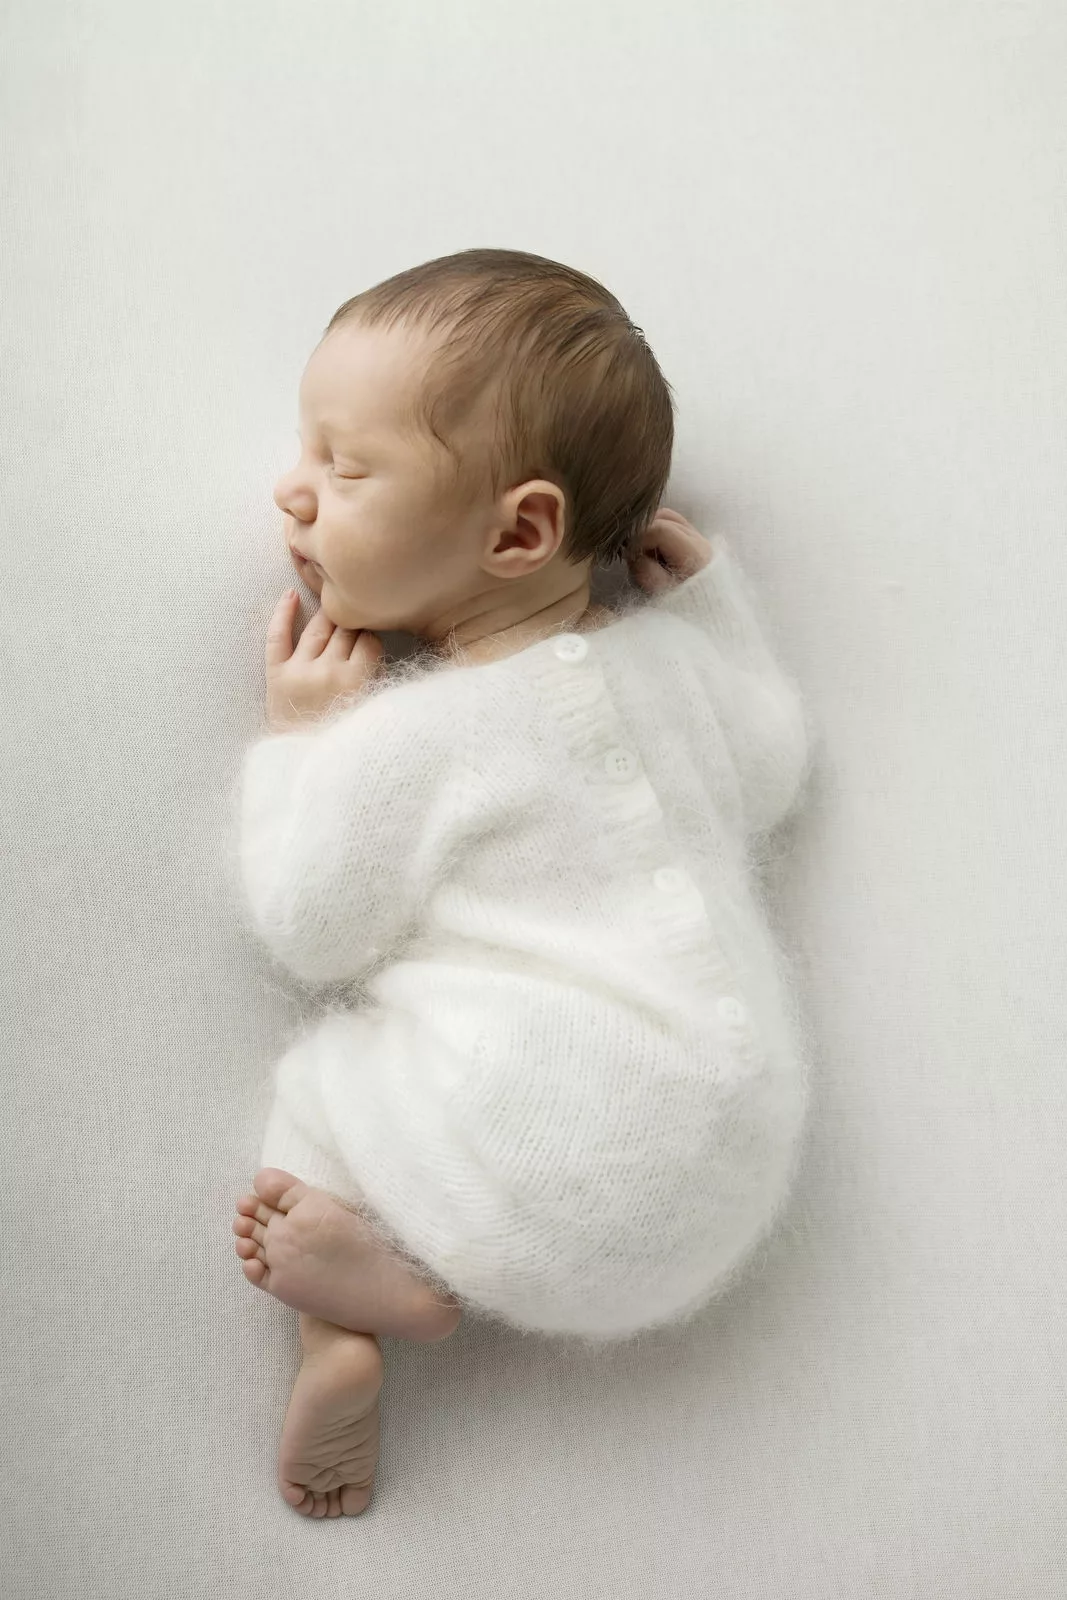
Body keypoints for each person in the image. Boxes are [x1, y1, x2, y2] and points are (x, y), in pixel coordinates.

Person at [229, 248, 815, 1518]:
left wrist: (301, 744)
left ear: (520, 531)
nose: (291, 490)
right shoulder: (675, 674)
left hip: (535, 1133)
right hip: (731, 1153)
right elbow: (773, 763)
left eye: (344, 465)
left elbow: (308, 927)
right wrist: (713, 608)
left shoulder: (412, 740)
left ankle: (363, 1312)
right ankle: (389, 1271)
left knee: (320, 1070)